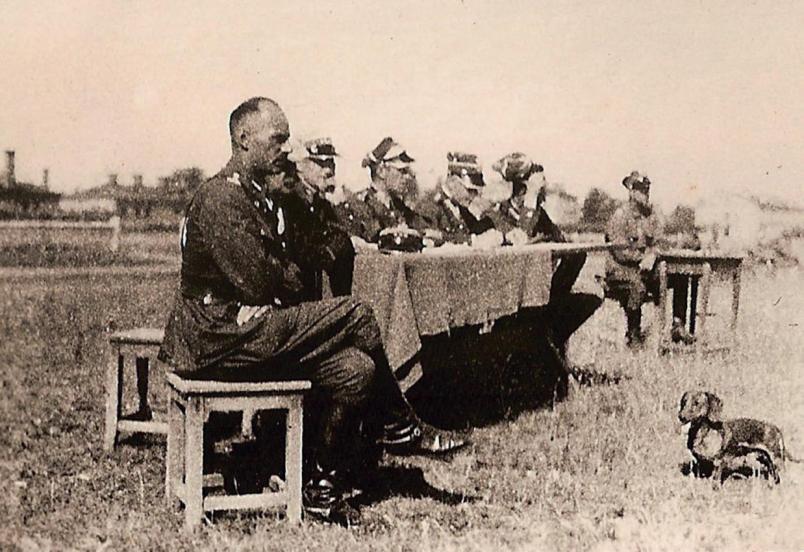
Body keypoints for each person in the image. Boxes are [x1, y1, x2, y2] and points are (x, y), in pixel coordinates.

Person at [159, 98, 466, 526]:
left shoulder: (256, 196)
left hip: (248, 329)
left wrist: (275, 277)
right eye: (277, 139)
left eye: (287, 139)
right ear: (244, 139)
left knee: (357, 368)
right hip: (217, 340)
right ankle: (399, 424)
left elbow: (284, 271)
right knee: (357, 314)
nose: (286, 149)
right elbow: (264, 282)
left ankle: (320, 489)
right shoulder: (221, 198)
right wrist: (275, 279)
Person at [605, 171, 693, 347]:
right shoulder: (620, 216)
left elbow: (661, 242)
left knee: (680, 275)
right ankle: (633, 333)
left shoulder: (651, 216)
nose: (645, 193)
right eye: (641, 189)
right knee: (637, 284)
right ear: (631, 192)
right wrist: (642, 258)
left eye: (647, 189)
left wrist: (654, 254)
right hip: (620, 271)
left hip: (646, 269)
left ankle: (678, 325)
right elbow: (620, 251)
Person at [338, 137, 436, 242]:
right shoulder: (359, 205)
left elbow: (425, 228)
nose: (407, 177)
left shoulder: (398, 207)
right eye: (401, 171)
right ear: (381, 171)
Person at [418, 152, 497, 244]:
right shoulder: (432, 207)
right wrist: (471, 240)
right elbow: (428, 236)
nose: (474, 195)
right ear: (454, 182)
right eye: (469, 190)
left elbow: (478, 228)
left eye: (475, 191)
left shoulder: (460, 207)